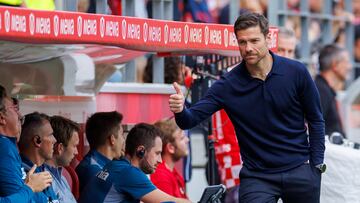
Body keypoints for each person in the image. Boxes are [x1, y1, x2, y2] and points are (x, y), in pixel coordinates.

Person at [169, 12, 325, 203]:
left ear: (268, 38)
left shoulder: (296, 72)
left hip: (300, 170)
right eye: (242, 42)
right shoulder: (228, 84)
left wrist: (316, 166)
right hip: (257, 176)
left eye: (254, 40)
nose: (248, 48)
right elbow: (189, 120)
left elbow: (316, 119)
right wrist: (180, 109)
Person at [79, 123, 191, 203]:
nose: (160, 160)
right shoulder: (128, 172)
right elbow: (170, 201)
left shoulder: (116, 166)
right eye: (157, 153)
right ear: (140, 151)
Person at [0, 85, 53, 202]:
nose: (19, 115)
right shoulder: (3, 147)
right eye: (14, 109)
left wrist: (27, 186)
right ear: (1, 117)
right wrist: (30, 188)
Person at [76, 111, 125, 192]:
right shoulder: (92, 169)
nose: (123, 140)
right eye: (122, 135)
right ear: (112, 139)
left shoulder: (107, 165)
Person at [18, 112, 58, 203]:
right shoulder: (23, 176)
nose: (55, 140)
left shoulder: (42, 170)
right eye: (51, 135)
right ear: (37, 141)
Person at [315, 44, 352, 137]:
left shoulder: (324, 89)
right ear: (335, 65)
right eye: (346, 62)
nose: (350, 67)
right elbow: (312, 127)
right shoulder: (320, 91)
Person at [150, 118, 189, 198]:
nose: (187, 140)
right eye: (182, 138)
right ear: (170, 148)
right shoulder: (161, 178)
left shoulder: (173, 173)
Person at [45, 115, 80, 203]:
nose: (76, 152)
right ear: (60, 148)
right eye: (74, 146)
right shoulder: (42, 181)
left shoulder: (63, 178)